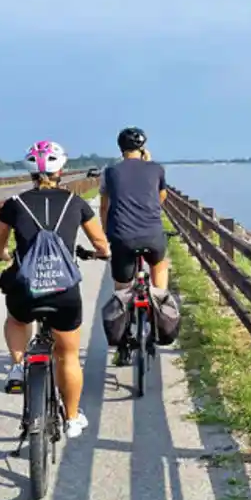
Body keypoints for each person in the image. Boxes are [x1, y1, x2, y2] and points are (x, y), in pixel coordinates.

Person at [0, 140, 110, 439]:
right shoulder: (75, 203)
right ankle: (71, 418)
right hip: (63, 292)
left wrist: (0, 256)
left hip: (26, 290)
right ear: (62, 169)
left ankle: (17, 366)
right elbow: (101, 244)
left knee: (16, 319)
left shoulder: (13, 204)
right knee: (67, 356)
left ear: (29, 170)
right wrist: (99, 254)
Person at [100, 127, 169, 365]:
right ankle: (159, 305)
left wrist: (106, 232)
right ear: (143, 147)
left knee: (122, 287)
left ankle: (123, 342)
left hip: (122, 237)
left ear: (120, 148)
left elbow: (105, 207)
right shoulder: (156, 169)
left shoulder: (110, 172)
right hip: (152, 235)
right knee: (159, 265)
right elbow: (161, 198)